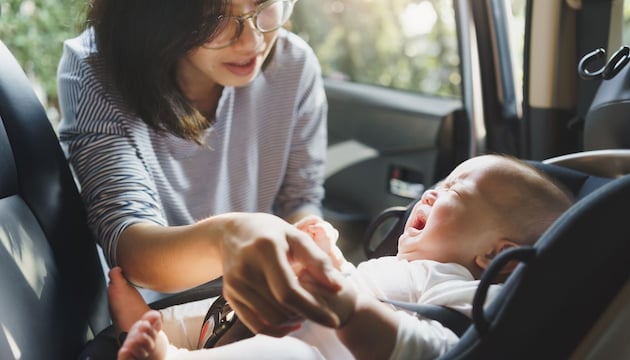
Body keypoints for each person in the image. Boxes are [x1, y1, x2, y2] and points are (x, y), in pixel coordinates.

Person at [56, 0, 341, 336]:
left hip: (253, 306)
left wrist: (310, 241)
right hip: (155, 319)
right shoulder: (94, 69)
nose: (252, 41)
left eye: (265, 3)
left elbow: (301, 198)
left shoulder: (294, 64)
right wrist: (230, 239)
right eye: (215, 17)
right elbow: (129, 246)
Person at [110, 154, 575, 359]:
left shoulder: (471, 294)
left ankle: (172, 357)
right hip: (294, 319)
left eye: (455, 191)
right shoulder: (405, 268)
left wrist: (348, 308)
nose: (432, 194)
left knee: (289, 356)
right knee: (226, 299)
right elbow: (362, 285)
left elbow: (436, 350)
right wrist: (330, 261)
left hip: (320, 351)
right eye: (438, 183)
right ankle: (158, 328)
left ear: (501, 258)